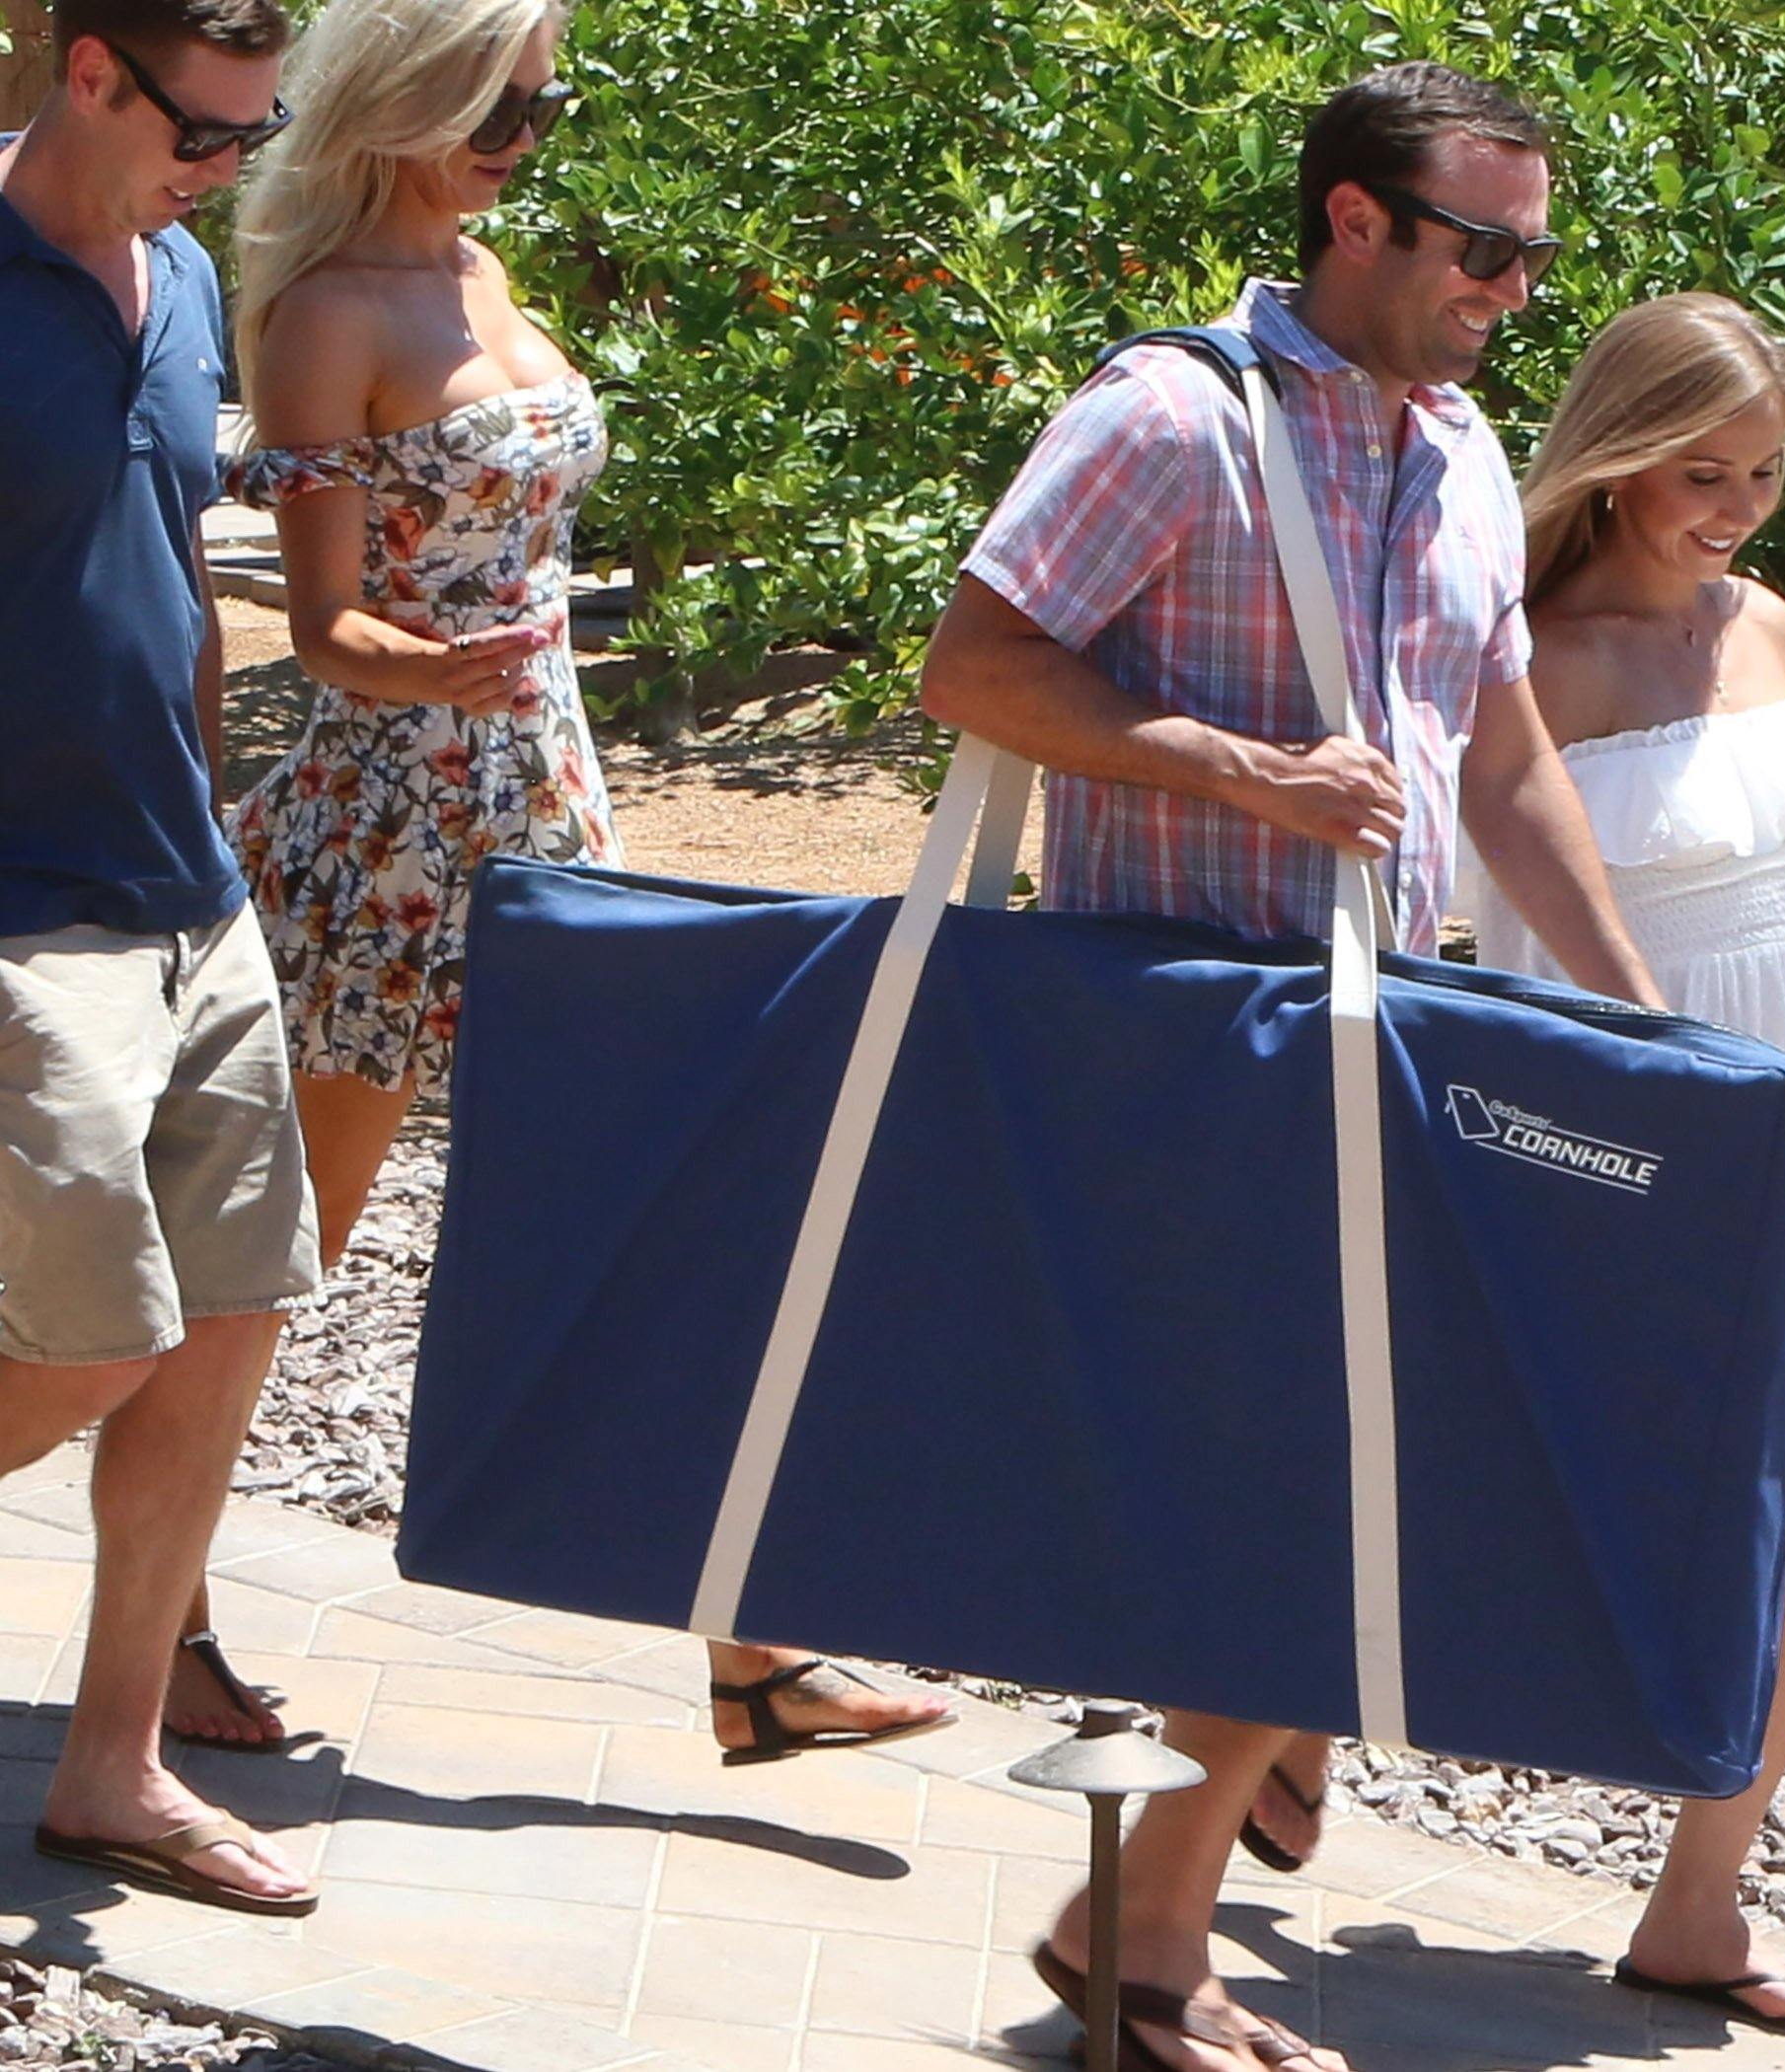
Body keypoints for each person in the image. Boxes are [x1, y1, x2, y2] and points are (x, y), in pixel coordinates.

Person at [923, 63, 1662, 2072]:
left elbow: (1497, 763)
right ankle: (1142, 1932)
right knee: (1306, 1505)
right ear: (1358, 221)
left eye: (1533, 251)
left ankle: (1143, 1913)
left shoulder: (1465, 450)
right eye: (1483, 247)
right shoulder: (1170, 417)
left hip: (1366, 1038)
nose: (1516, 287)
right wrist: (1238, 765)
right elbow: (971, 670)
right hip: (1173, 1050)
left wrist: (1623, 1012)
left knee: (1337, 1499)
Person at [226, 0, 948, 1763]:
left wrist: (512, 688)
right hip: (389, 839)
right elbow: (323, 634)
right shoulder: (330, 313)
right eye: (494, 103)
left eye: (543, 107)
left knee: (656, 1215)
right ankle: (157, 1620)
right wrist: (439, 670)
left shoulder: (485, 280)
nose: (520, 136)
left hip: (542, 807)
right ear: (406, 90)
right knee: (277, 1255)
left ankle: (756, 1658)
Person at [1464, 290, 1785, 2040]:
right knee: (1523, 1468)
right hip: (1634, 1100)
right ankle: (1271, 1733)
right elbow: (1508, 932)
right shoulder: (1531, 655)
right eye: (1700, 470)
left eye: (1762, 471)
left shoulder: (1768, 628)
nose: (1735, 506)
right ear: (1611, 457)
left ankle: (1700, 1897)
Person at [0, 0, 321, 1913]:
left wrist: (224, 833)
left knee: (225, 1321)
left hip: (191, 894)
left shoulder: (184, 280)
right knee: (93, 1337)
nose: (224, 172)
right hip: (20, 916)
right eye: (205, 132)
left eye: (255, 135)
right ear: (90, 71)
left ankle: (111, 1766)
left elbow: (178, 572)